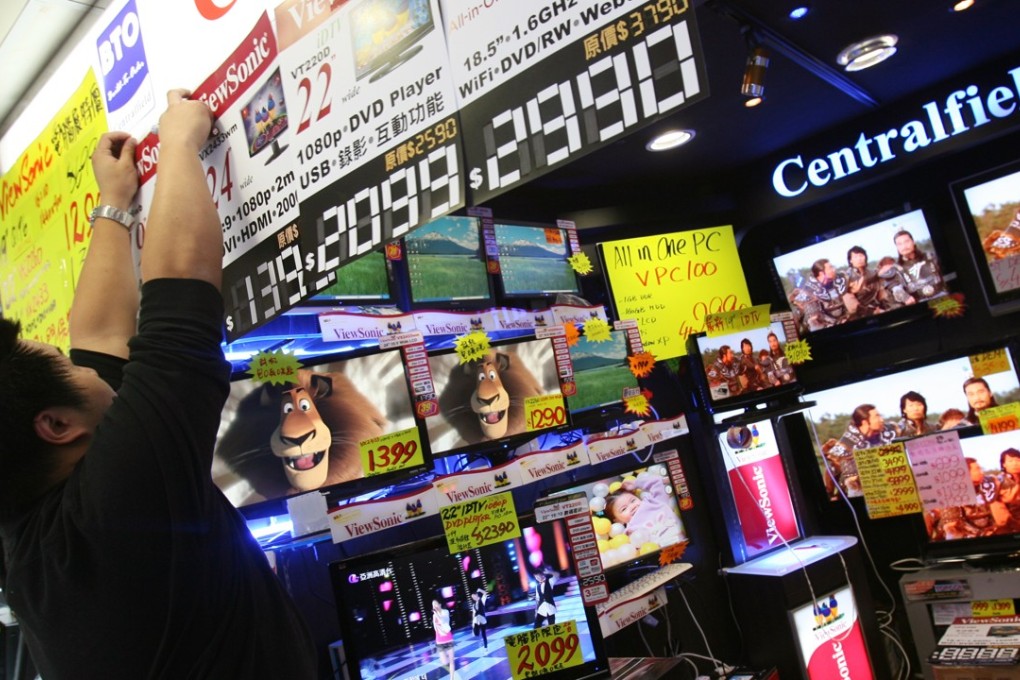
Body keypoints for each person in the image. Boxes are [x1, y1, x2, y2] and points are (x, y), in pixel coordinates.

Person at [0, 91, 317, 678]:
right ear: (57, 425)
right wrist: (179, 141)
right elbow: (179, 308)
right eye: (68, 370)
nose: (84, 365)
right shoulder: (112, 513)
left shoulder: (39, 521)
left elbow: (98, 337)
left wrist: (115, 203)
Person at [603, 471, 686, 548]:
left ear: (638, 498)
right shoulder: (630, 531)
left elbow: (657, 483)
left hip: (684, 540)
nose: (632, 507)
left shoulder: (654, 502)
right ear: (618, 521)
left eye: (633, 500)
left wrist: (636, 483)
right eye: (624, 509)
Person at [828, 404, 897, 496]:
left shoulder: (889, 429)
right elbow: (831, 468)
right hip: (861, 489)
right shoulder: (847, 441)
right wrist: (831, 494)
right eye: (877, 416)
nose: (882, 420)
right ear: (865, 422)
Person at [893, 229, 944, 300]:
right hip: (919, 301)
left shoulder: (931, 256)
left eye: (906, 241)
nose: (904, 246)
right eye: (899, 244)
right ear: (897, 247)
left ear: (913, 242)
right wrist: (905, 297)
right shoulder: (896, 269)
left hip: (942, 295)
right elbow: (895, 288)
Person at [800, 259, 849, 330]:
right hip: (824, 326)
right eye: (830, 268)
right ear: (821, 273)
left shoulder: (840, 280)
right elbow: (814, 317)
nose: (834, 269)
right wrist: (836, 323)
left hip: (844, 319)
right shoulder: (808, 290)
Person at [845, 245, 883, 318]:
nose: (859, 259)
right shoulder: (847, 277)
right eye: (855, 257)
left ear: (865, 257)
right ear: (850, 260)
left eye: (861, 256)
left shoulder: (872, 273)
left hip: (878, 306)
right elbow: (852, 305)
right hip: (860, 314)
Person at [433, 599, 455, 678]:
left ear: (439, 604)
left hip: (448, 639)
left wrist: (437, 615)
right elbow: (435, 629)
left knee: (451, 661)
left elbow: (443, 621)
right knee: (444, 662)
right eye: (433, 605)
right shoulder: (434, 615)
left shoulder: (445, 612)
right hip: (440, 641)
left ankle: (452, 678)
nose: (434, 606)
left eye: (435, 604)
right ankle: (447, 656)